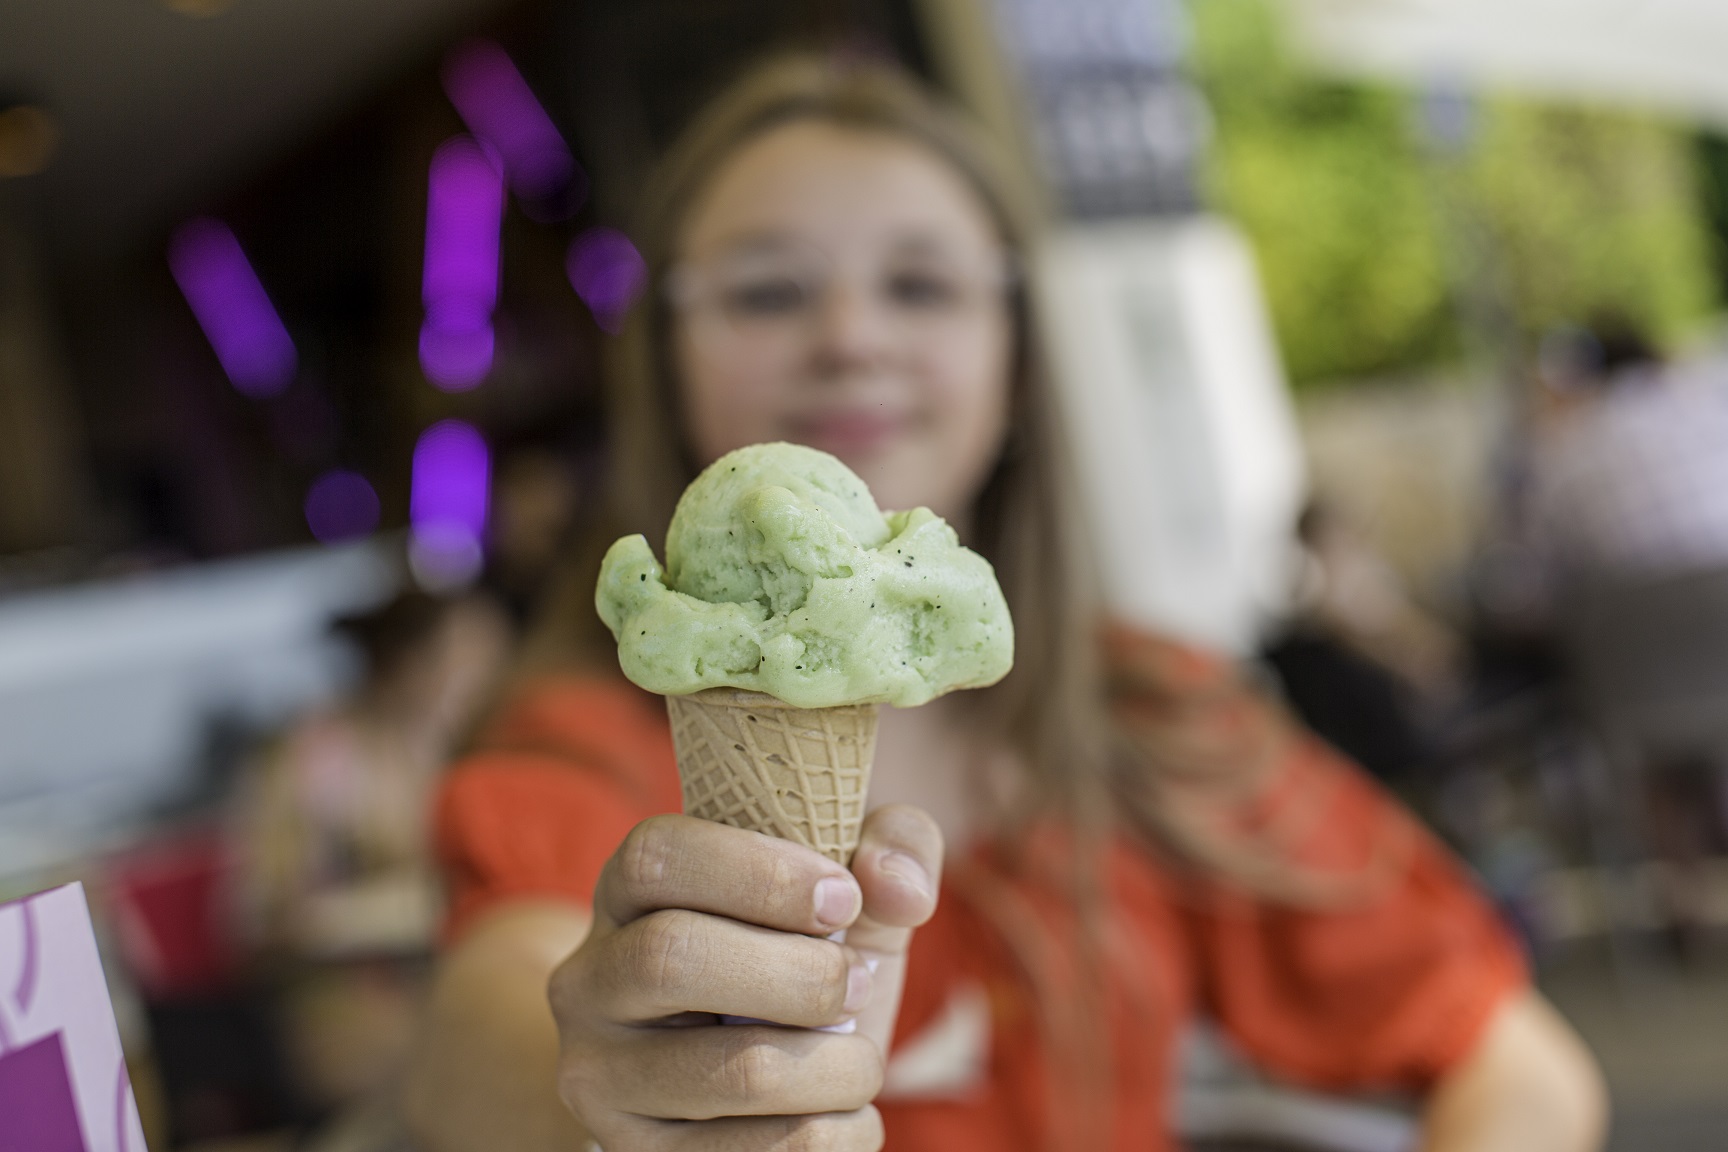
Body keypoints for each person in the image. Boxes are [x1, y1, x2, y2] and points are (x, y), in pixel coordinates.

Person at [402, 55, 1605, 1152]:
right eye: (767, 292)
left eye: (923, 286)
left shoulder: (1148, 708)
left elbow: (1518, 1062)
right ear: (664, 365)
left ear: (1015, 361)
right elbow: (491, 1028)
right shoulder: (582, 744)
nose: (852, 336)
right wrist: (600, 1094)